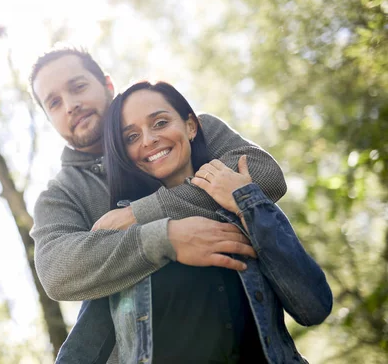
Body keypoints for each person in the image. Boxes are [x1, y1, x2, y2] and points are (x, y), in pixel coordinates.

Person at [29, 47, 290, 363]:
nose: (71, 105)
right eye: (54, 102)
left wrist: (140, 214)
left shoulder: (186, 130)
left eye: (78, 86)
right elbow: (57, 271)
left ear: (107, 85)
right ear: (49, 118)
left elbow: (265, 176)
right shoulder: (61, 195)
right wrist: (166, 239)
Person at [84, 81, 332, 363]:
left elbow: (314, 306)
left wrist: (246, 201)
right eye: (131, 137)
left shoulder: (242, 200)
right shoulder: (123, 229)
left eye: (160, 122)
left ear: (191, 127)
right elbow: (86, 343)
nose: (148, 140)